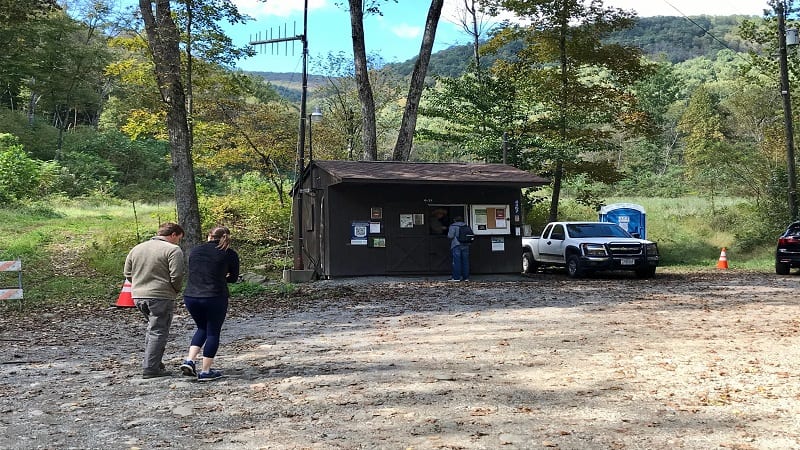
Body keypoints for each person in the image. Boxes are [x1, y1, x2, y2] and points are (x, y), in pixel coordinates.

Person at [124, 222, 186, 379]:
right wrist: (175, 289)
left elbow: (127, 272)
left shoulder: (137, 248)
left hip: (138, 296)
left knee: (152, 329)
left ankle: (153, 362)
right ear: (173, 235)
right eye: (179, 238)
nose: (178, 241)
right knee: (159, 331)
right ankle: (151, 368)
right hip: (161, 295)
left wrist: (138, 285)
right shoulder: (173, 250)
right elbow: (177, 275)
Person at [179, 226, 240, 382]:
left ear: (209, 236)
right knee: (213, 332)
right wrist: (220, 277)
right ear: (227, 237)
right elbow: (233, 278)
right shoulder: (229, 253)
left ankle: (190, 361)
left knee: (202, 328)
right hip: (214, 296)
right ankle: (206, 371)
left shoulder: (195, 251)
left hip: (191, 295)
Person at [447, 216, 471, 281]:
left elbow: (450, 236)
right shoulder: (466, 226)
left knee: (456, 261)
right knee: (465, 261)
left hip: (456, 244)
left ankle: (456, 277)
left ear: (454, 220)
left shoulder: (453, 226)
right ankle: (466, 278)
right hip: (466, 244)